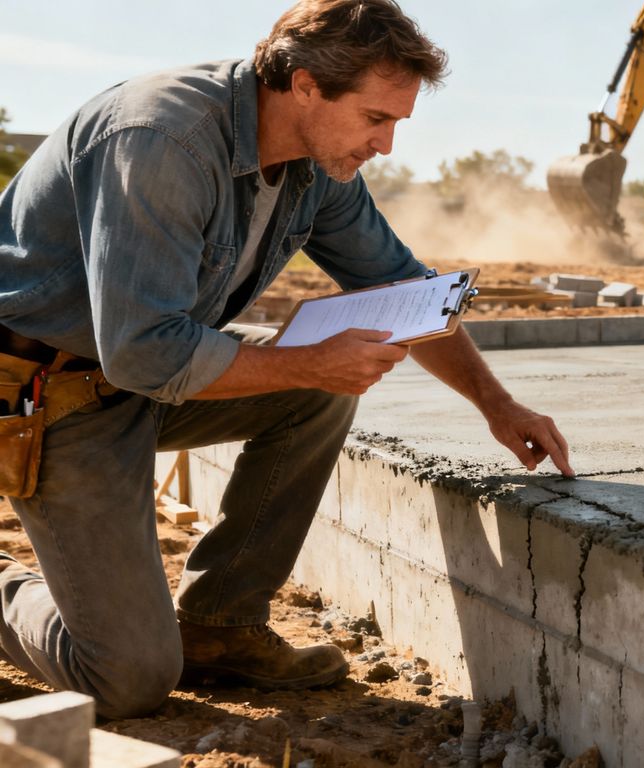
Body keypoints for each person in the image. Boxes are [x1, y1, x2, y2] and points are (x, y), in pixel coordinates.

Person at [0, 0, 572, 719]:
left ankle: (220, 625)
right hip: (46, 396)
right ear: (304, 85)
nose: (387, 144)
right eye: (375, 119)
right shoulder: (163, 139)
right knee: (128, 679)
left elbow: (405, 290)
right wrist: (309, 363)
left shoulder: (314, 166)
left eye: (396, 122)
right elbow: (142, 350)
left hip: (133, 378)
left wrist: (499, 404)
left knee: (320, 390)